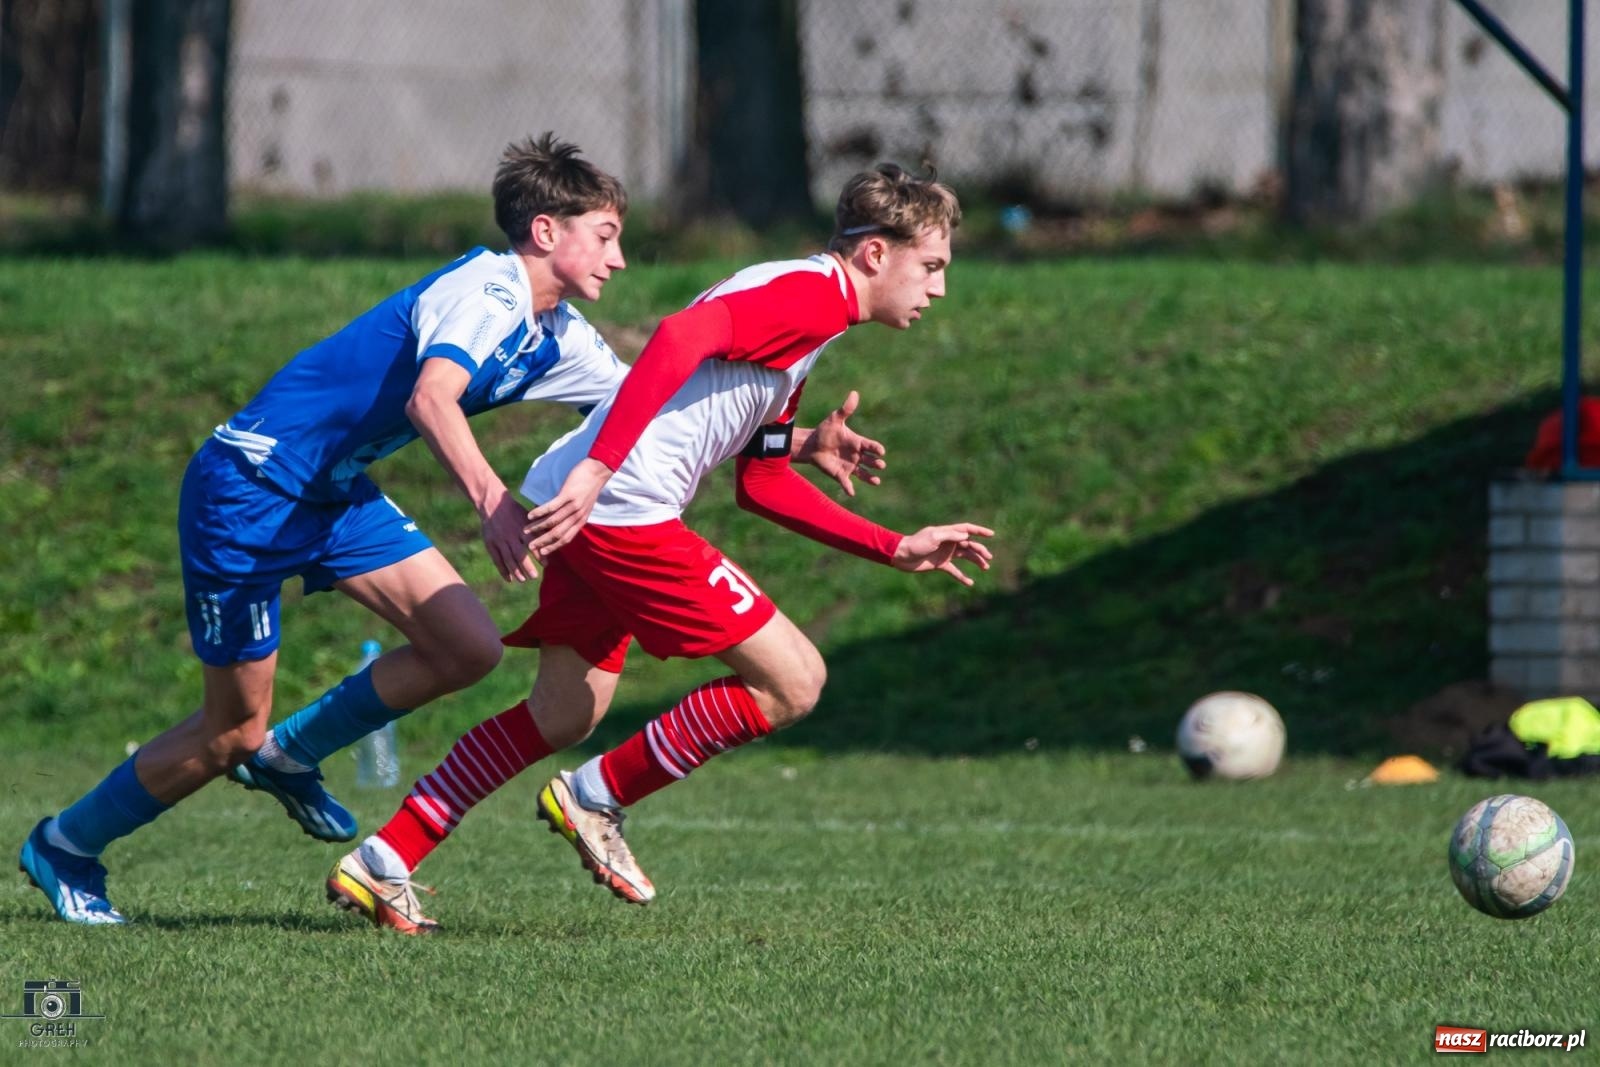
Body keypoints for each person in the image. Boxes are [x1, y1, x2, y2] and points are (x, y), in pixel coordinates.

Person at [17, 134, 884, 925]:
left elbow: (648, 403)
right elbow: (429, 396)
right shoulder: (488, 290)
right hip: (248, 486)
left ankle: (291, 754)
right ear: (547, 231)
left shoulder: (561, 335)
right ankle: (66, 846)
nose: (620, 258)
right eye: (606, 235)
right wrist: (492, 501)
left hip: (332, 489)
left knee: (466, 644)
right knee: (227, 728)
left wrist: (799, 442)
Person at [327, 162, 990, 933]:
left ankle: (386, 857)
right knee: (795, 679)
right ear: (876, 253)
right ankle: (597, 795)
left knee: (562, 710)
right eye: (932, 265)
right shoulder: (813, 297)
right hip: (620, 508)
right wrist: (602, 471)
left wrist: (889, 538)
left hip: (588, 497)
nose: (938, 288)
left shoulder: (813, 306)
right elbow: (680, 337)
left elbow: (760, 480)